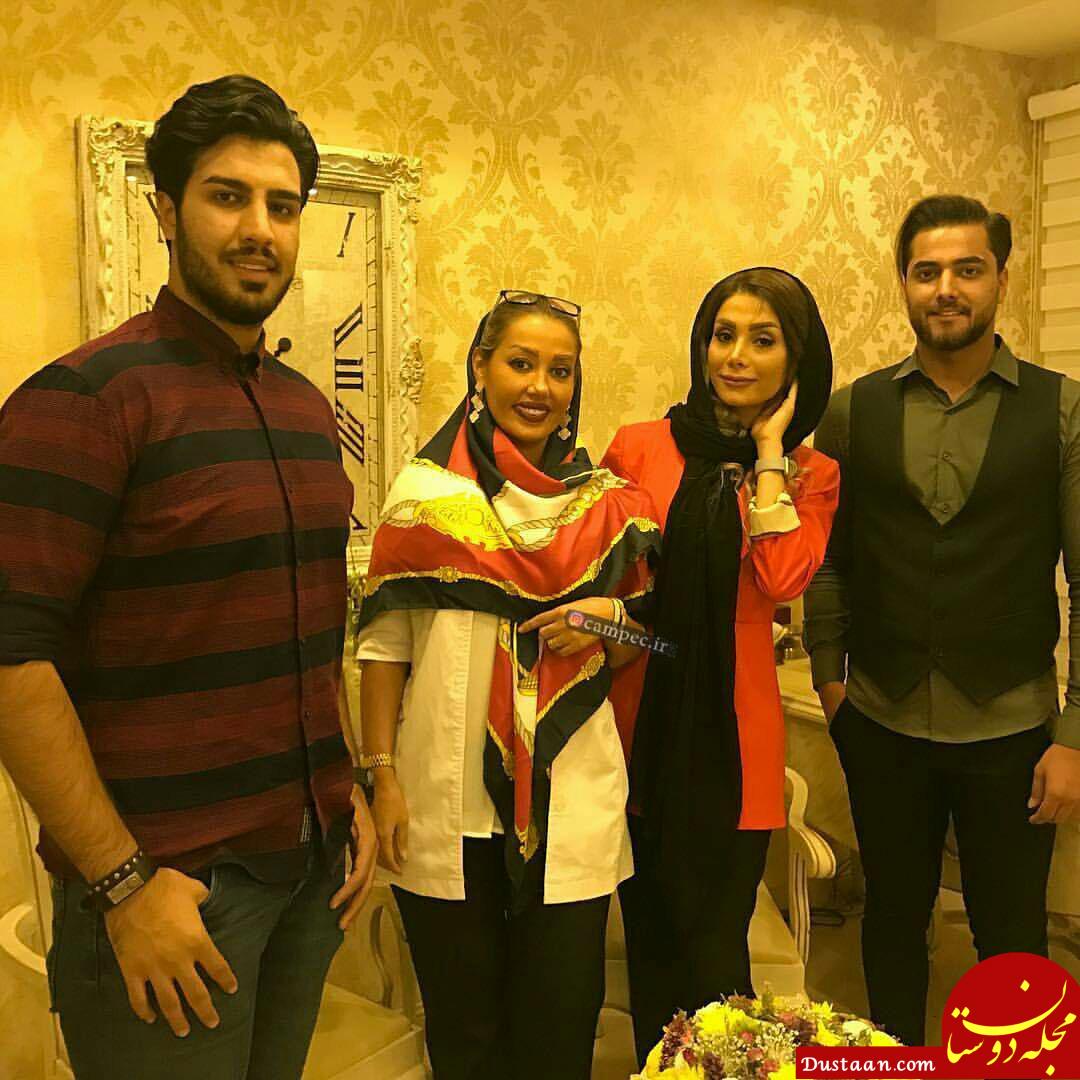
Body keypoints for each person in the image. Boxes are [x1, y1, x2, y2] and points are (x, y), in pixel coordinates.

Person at [0, 76, 376, 1080]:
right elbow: (11, 662)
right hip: (172, 897)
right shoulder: (85, 398)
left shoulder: (305, 412)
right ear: (165, 211)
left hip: (308, 878)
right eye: (227, 197)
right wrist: (124, 886)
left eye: (283, 205)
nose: (259, 229)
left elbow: (310, 629)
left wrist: (347, 791)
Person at [354, 289, 660, 1080]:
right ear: (481, 367)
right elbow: (384, 647)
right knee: (466, 1039)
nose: (539, 387)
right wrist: (381, 775)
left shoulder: (607, 506)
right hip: (443, 800)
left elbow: (645, 644)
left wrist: (607, 620)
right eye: (521, 364)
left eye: (560, 371)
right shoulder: (426, 496)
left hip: (573, 802)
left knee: (560, 1035)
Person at [804, 194, 1080, 1047]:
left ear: (1002, 279)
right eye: (927, 272)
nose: (947, 288)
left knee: (1011, 937)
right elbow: (830, 561)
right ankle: (896, 1061)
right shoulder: (853, 410)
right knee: (891, 920)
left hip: (1014, 727)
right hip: (882, 717)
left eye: (967, 269)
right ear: (904, 283)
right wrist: (830, 681)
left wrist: (1074, 735)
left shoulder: (1063, 410)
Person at [601, 267, 838, 1066]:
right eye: (723, 335)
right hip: (641, 727)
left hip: (736, 746)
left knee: (715, 958)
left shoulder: (810, 474)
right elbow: (615, 586)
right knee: (650, 944)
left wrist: (769, 454)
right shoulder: (639, 445)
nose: (735, 356)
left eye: (762, 340)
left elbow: (782, 578)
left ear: (796, 362)